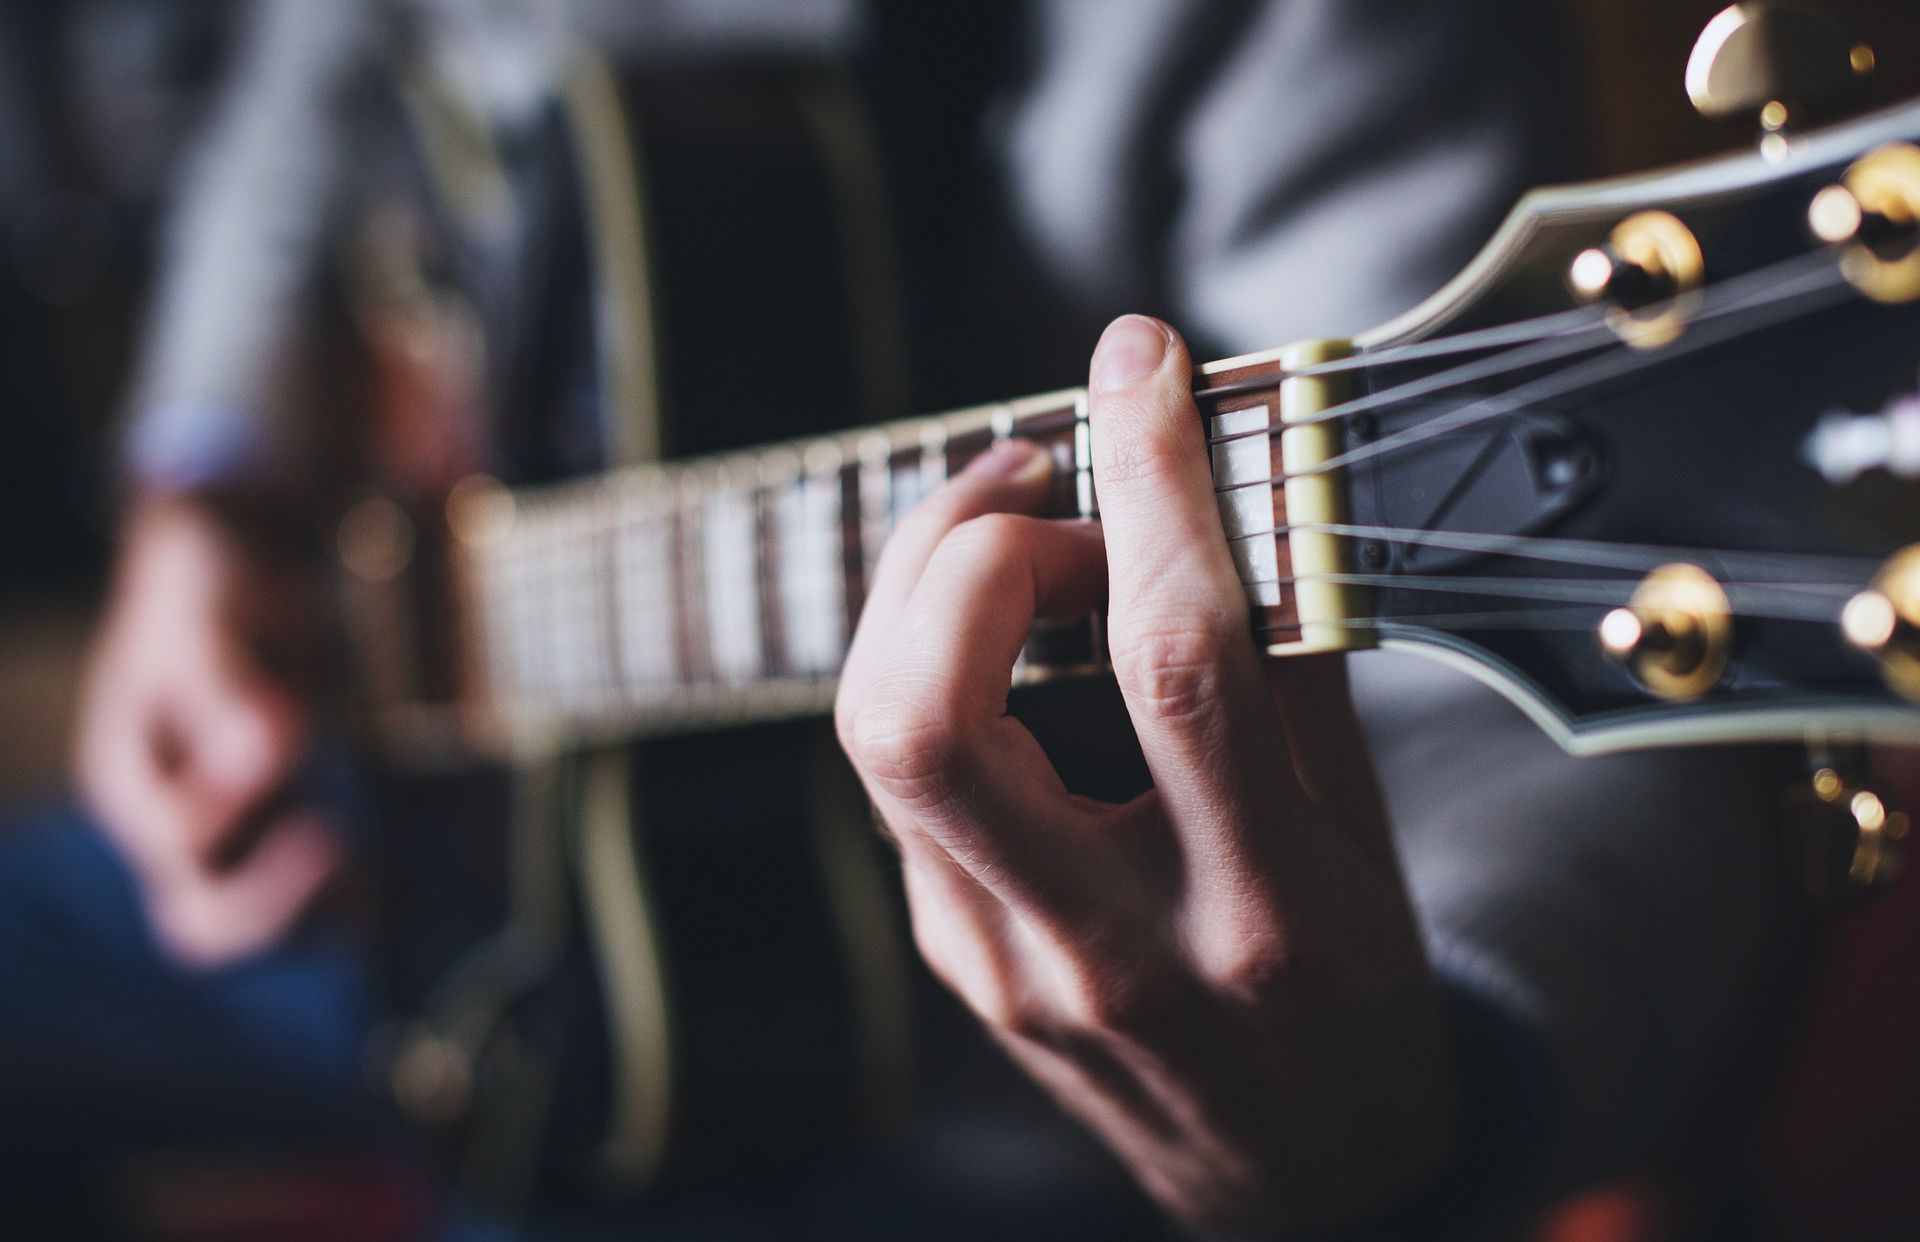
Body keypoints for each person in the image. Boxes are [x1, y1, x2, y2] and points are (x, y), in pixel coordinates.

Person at [4, 0, 1786, 1236]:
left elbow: (1573, 675)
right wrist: (203, 484)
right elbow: (304, 75)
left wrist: (1436, 1088)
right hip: (386, 853)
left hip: (879, 1091)